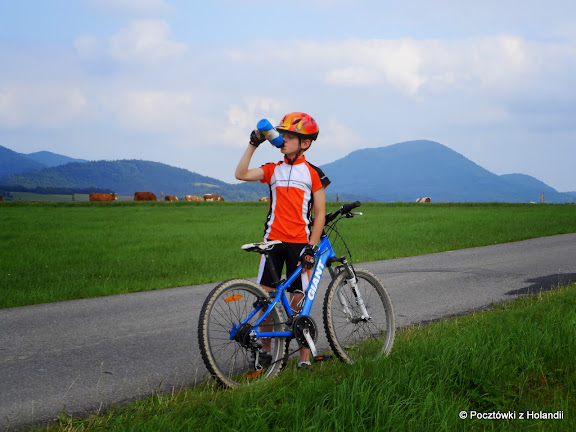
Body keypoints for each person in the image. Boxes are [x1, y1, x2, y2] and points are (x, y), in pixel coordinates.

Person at [235, 112, 330, 370]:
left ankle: (304, 359)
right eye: (282, 135)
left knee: (300, 301)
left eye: (290, 136)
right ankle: (266, 354)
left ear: (305, 143)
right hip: (273, 242)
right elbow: (240, 174)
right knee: (266, 298)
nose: (283, 140)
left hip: (300, 243)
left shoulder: (313, 174)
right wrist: (254, 143)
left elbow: (319, 214)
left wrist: (312, 246)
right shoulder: (272, 169)